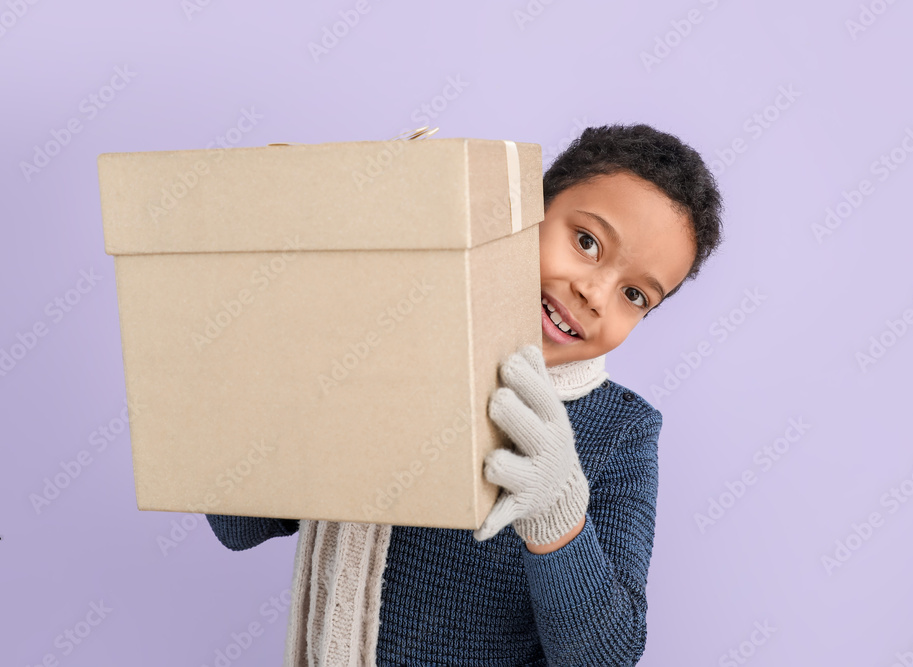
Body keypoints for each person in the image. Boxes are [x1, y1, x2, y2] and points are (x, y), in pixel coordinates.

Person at [206, 123, 724, 665]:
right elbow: (240, 525)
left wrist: (558, 515)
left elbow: (603, 656)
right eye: (587, 242)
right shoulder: (393, 345)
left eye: (635, 294)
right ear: (526, 210)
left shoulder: (621, 433)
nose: (594, 294)